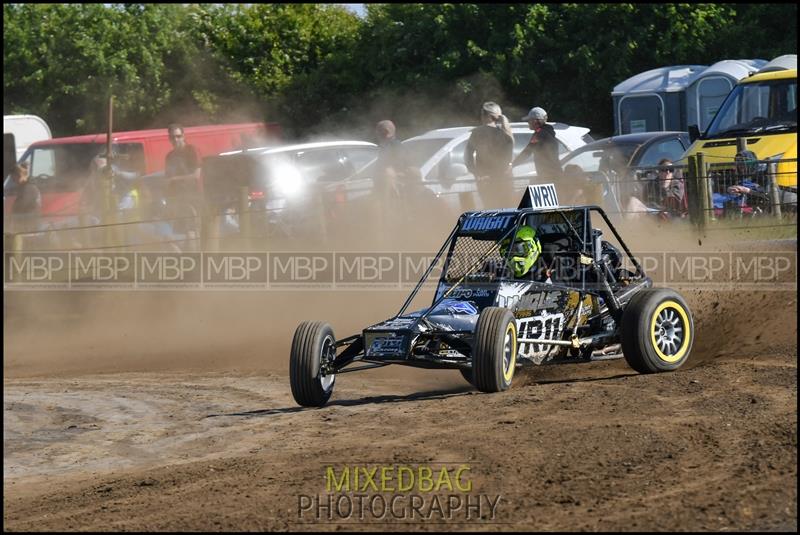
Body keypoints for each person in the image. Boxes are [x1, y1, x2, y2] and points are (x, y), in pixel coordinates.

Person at [464, 101, 514, 209]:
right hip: (503, 180)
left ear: (485, 115)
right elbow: (508, 159)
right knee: (507, 212)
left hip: (485, 181)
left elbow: (468, 156)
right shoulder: (505, 133)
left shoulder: (477, 133)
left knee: (490, 211)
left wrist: (476, 173)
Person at [512, 107, 562, 181]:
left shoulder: (539, 134)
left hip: (550, 178)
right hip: (554, 176)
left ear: (535, 121)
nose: (528, 123)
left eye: (529, 120)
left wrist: (512, 165)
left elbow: (528, 151)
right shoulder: (546, 132)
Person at [165, 124, 200, 196]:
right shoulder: (169, 156)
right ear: (169, 138)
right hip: (176, 197)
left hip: (194, 195)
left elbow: (197, 175)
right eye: (172, 137)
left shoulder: (192, 151)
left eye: (178, 136)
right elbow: (167, 179)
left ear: (183, 136)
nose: (175, 139)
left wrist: (174, 179)